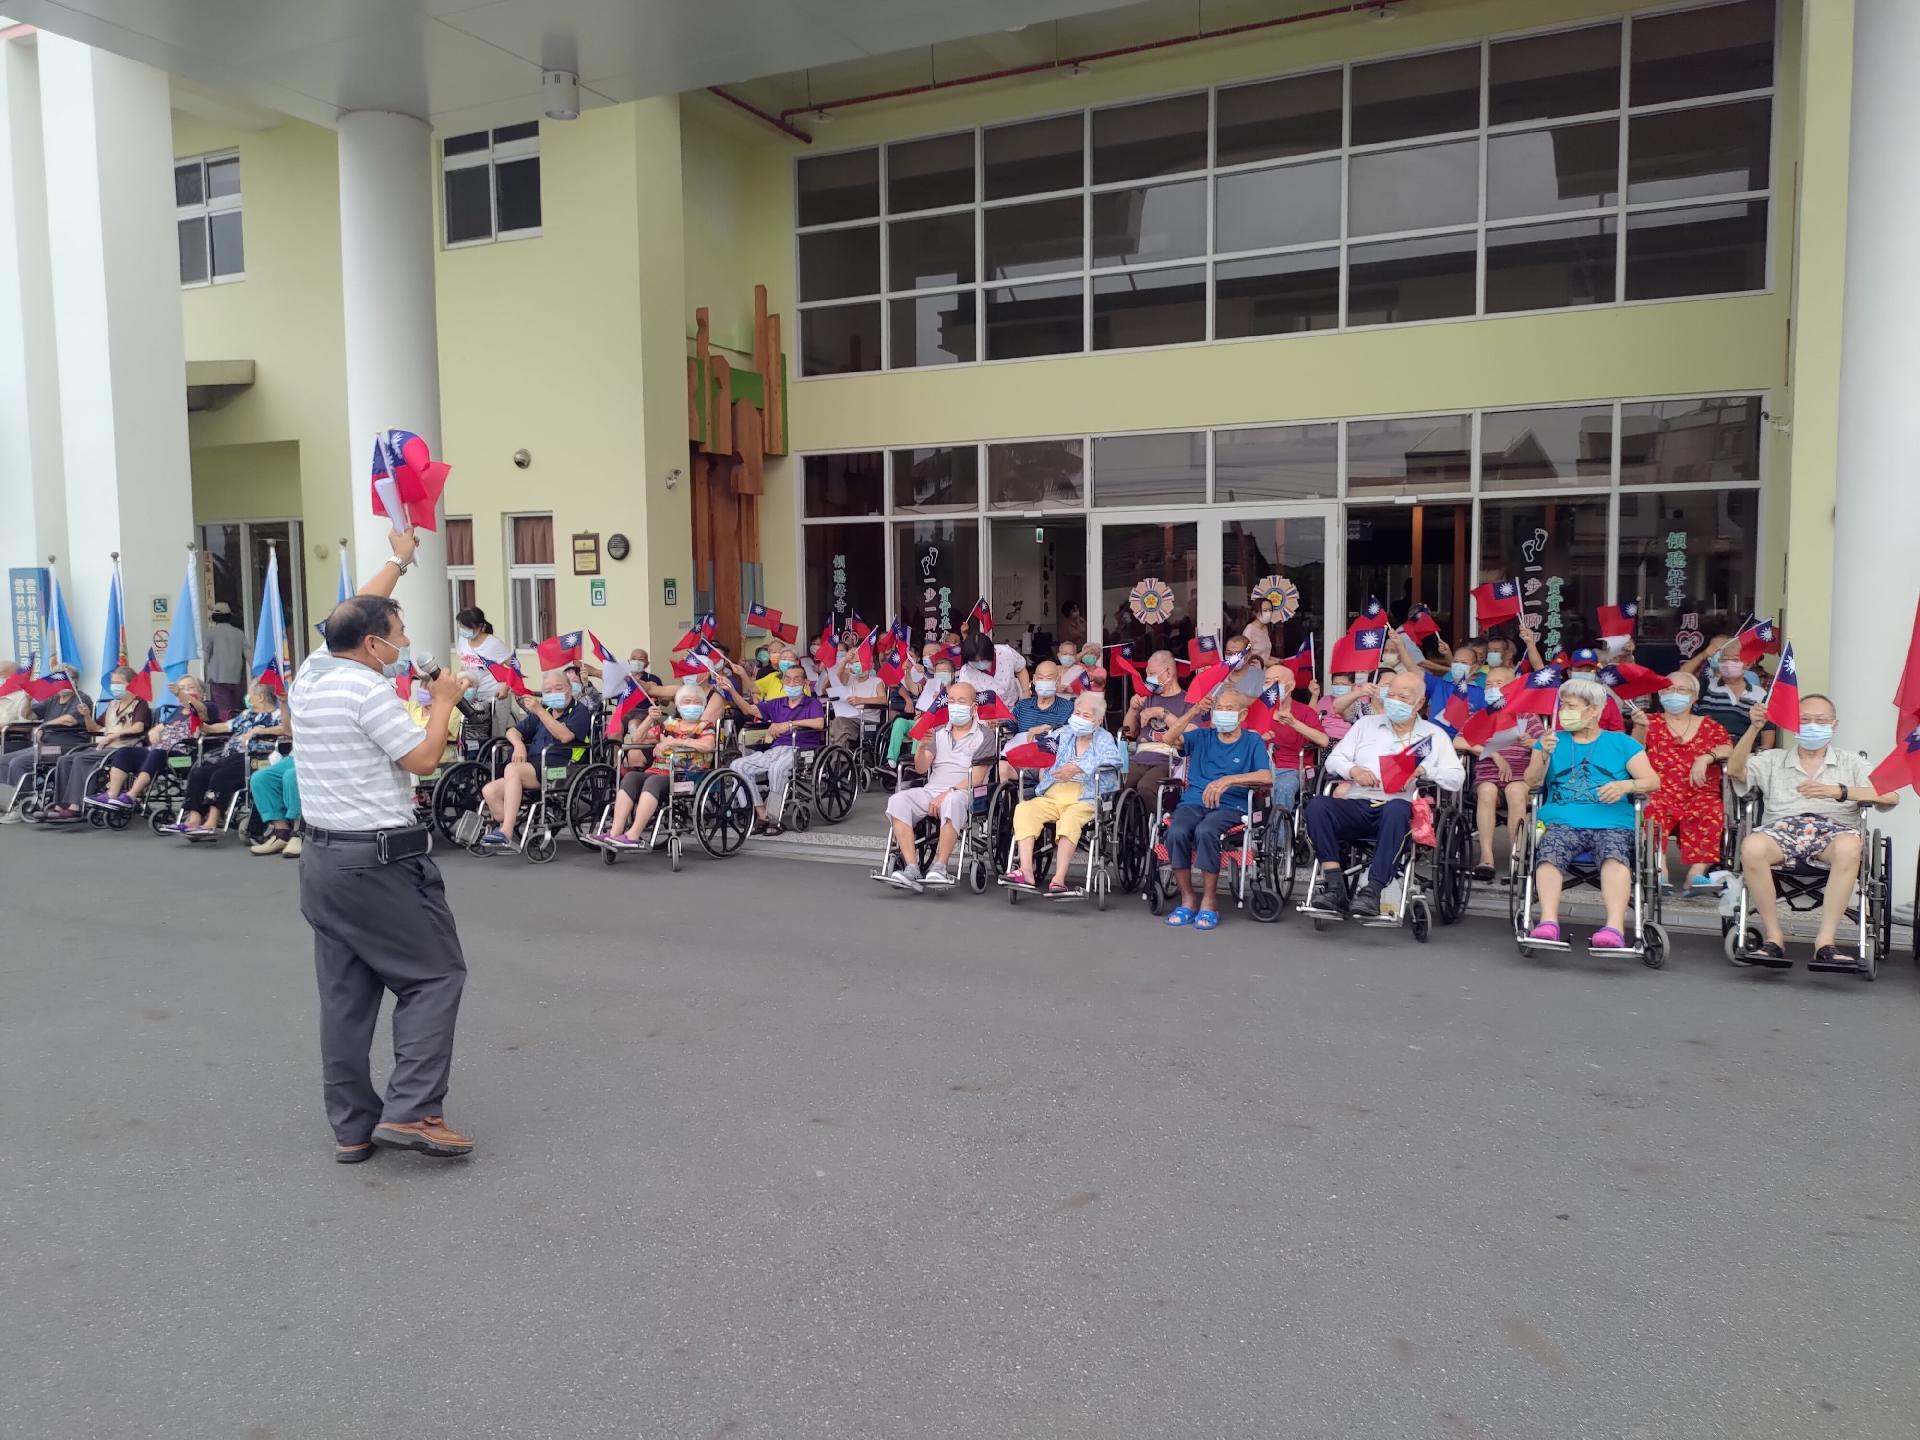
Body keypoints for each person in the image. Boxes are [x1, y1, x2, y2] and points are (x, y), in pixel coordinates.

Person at [290, 528, 477, 1162]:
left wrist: (398, 561)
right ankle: (416, 1112)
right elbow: (424, 759)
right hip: (380, 861)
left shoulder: (314, 672)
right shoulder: (369, 691)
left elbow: (353, 609)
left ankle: (351, 1127)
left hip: (322, 859)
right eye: (398, 636)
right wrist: (444, 702)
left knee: (346, 995)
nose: (405, 645)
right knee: (434, 974)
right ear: (371, 645)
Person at [1727, 693, 1898, 967]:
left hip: (1835, 830)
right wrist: (1754, 728)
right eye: (1804, 720)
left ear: (1834, 725)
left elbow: (1890, 795)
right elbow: (1735, 771)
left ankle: (1825, 942)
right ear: (1794, 724)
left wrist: (1838, 791)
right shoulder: (1773, 759)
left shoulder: (1851, 762)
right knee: (1751, 846)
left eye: (1820, 720)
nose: (1812, 725)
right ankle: (1773, 938)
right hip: (1782, 828)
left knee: (1849, 847)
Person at [1305, 668, 1465, 917]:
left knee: (1396, 808)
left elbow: (1456, 777)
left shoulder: (1433, 735)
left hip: (1397, 808)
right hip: (1358, 802)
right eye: (1391, 694)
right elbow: (1333, 760)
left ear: (1419, 702)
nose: (1394, 701)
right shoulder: (1365, 725)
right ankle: (1335, 885)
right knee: (1317, 806)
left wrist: (1423, 771)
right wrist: (1354, 770)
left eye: (1402, 697)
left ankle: (1373, 891)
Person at [1521, 677, 1661, 950]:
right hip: (1561, 820)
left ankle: (1614, 928)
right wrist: (1543, 756)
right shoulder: (1549, 741)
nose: (1564, 711)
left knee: (1614, 856)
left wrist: (1625, 785)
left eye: (1571, 706)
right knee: (1549, 851)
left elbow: (1652, 781)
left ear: (1594, 710)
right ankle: (1548, 922)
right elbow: (1532, 782)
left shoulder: (1621, 743)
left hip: (1612, 822)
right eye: (1562, 705)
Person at [1155, 688, 1273, 930]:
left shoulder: (1252, 740)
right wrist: (1194, 711)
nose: (1222, 713)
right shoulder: (1202, 736)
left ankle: (1209, 901)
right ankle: (1187, 899)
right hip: (1194, 802)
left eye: (1229, 709)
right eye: (1219, 708)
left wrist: (1228, 780)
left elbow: (1265, 776)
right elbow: (1169, 739)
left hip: (1232, 804)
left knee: (1206, 831)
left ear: (1242, 715)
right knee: (1177, 830)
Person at [884, 679, 997, 893]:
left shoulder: (985, 735)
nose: (955, 705)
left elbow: (979, 777)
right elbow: (921, 768)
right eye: (951, 700)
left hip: (965, 791)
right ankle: (912, 868)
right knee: (897, 800)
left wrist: (947, 794)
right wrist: (922, 747)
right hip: (932, 789)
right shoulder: (937, 731)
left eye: (961, 701)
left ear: (973, 707)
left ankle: (940, 866)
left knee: (953, 800)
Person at [1006, 692, 1124, 896]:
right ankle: (1026, 871)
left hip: (1086, 795)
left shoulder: (1104, 739)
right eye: (1077, 713)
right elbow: (1043, 749)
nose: (1078, 718)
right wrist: (1030, 751)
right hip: (1056, 791)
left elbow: (1114, 761)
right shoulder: (1064, 733)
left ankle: (1059, 878)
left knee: (1069, 820)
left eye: (1085, 715)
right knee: (1025, 809)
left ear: (1097, 721)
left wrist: (1077, 767)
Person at [1631, 670, 1733, 897]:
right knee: (1652, 808)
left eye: (1681, 690)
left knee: (1713, 810)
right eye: (1668, 689)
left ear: (1694, 697)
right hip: (1659, 790)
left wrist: (1706, 757)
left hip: (1700, 793)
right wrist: (1639, 728)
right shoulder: (1650, 722)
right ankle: (1659, 871)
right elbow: (1632, 751)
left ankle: (1696, 876)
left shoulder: (1709, 726)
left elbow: (1727, 748)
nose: (1673, 694)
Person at [477, 669, 593, 853]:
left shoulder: (580, 711)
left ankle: (506, 831)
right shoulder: (544, 711)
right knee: (489, 790)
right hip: (533, 765)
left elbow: (565, 736)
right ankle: (505, 823)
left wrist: (539, 710)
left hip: (561, 767)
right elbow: (512, 731)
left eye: (559, 688)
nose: (554, 693)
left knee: (513, 770)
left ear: (569, 690)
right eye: (548, 690)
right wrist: (519, 745)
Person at [600, 684, 717, 848]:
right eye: (687, 701)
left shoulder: (706, 726)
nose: (691, 705)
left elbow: (708, 746)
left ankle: (633, 834)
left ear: (703, 705)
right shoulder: (669, 725)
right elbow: (638, 739)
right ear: (678, 705)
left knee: (653, 782)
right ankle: (615, 832)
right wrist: (649, 719)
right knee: (631, 777)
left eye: (696, 701)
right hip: (659, 770)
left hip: (685, 775)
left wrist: (674, 742)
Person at [1454, 665, 1542, 881]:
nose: (1492, 688)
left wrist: (1532, 743)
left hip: (1520, 778)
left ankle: (1517, 857)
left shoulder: (1527, 716)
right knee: (1486, 791)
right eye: (1489, 685)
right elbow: (1457, 740)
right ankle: (1486, 858)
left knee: (1515, 791)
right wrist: (1492, 753)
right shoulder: (1480, 716)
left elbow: (1546, 743)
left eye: (1499, 684)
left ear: (1512, 687)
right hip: (1488, 777)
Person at [168, 682, 286, 839]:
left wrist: (261, 730)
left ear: (260, 697)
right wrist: (206, 728)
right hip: (231, 756)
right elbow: (224, 727)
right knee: (199, 773)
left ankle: (212, 821)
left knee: (221, 775)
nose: (247, 697)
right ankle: (194, 818)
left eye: (250, 694)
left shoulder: (278, 714)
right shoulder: (246, 714)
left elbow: (286, 729)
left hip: (255, 758)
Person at [724, 663, 824, 833]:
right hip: (776, 749)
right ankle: (760, 813)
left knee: (777, 769)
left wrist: (789, 724)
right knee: (737, 766)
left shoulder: (812, 703)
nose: (792, 684)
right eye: (788, 680)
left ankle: (774, 819)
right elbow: (748, 709)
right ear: (783, 682)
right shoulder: (776, 704)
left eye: (796, 680)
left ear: (805, 683)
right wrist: (731, 689)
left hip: (802, 750)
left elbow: (819, 723)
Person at [42, 667, 149, 820]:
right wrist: (86, 716)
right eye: (113, 682)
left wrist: (111, 737)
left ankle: (76, 806)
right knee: (65, 760)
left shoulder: (139, 704)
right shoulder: (113, 705)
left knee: (81, 760)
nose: (114, 686)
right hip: (106, 746)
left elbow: (138, 727)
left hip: (124, 747)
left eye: (119, 683)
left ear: (131, 684)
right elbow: (95, 728)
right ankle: (61, 804)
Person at [0, 666, 92, 821]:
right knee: (3, 761)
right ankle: (5, 803)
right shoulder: (53, 699)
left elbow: (69, 720)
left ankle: (22, 804)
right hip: (44, 745)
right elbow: (28, 715)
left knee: (19, 763)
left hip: (67, 746)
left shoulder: (81, 699)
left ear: (74, 681)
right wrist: (28, 700)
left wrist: (44, 726)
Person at [1248, 663, 1328, 811]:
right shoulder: (1255, 710)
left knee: (1285, 786)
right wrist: (1258, 737)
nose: (1270, 686)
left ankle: (1278, 834)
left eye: (1276, 681)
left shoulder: (1305, 712)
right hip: (1260, 767)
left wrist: (1294, 723)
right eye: (1267, 682)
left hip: (1292, 769)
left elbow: (1323, 741)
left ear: (1290, 686)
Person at [1120, 650, 1186, 807]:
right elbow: (1129, 732)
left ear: (1168, 672)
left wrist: (1160, 712)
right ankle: (1126, 830)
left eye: (1152, 673)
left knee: (1146, 786)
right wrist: (1133, 708)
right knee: (1117, 784)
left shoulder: (1187, 701)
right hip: (1140, 757)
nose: (1148, 678)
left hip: (1169, 759)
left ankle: (1150, 830)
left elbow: (1189, 733)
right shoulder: (1146, 697)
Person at [1696, 639, 1776, 749]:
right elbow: (1676, 680)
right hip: (1706, 749)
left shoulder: (1761, 695)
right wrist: (1703, 655)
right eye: (1724, 660)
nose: (1728, 664)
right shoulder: (1704, 686)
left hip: (1743, 754)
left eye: (1734, 660)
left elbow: (1767, 735)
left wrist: (1759, 757)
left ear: (1747, 664)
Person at [1002, 659, 1073, 781]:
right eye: (1041, 678)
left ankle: (1041, 799)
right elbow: (1010, 725)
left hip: (1050, 760)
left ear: (1058, 681)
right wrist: (998, 723)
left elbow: (1071, 734)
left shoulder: (1067, 707)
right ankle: (1005, 800)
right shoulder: (1023, 705)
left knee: (1045, 769)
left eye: (1049, 678)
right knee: (1001, 767)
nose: (1044, 682)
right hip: (1021, 756)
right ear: (1034, 680)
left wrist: (1049, 728)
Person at [826, 643, 887, 751]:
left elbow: (883, 700)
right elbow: (839, 674)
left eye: (860, 662)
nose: (857, 665)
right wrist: (845, 660)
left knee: (840, 724)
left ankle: (839, 762)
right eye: (854, 663)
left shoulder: (876, 681)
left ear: (870, 664)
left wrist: (861, 700)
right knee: (837, 724)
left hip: (867, 721)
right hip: (849, 719)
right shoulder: (850, 679)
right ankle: (839, 759)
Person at [247, 746, 303, 857]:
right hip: (297, 756)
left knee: (291, 776)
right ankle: (282, 834)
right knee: (260, 778)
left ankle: (299, 833)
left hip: (324, 758)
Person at [455, 607, 513, 710]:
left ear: (480, 626)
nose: (464, 630)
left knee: (493, 726)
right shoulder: (463, 640)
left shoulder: (494, 644)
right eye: (462, 626)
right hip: (471, 696)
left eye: (468, 627)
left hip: (494, 697)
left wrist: (505, 688)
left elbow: (515, 667)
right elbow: (464, 666)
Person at [202, 601, 249, 718]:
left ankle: (227, 731)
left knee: (223, 710)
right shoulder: (239, 633)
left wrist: (204, 675)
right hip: (236, 677)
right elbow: (248, 653)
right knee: (237, 708)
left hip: (218, 677)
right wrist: (255, 673)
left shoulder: (210, 633)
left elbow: (206, 655)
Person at [959, 630, 1028, 705]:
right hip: (986, 713)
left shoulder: (1005, 652)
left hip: (1013, 707)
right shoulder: (966, 671)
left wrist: (1026, 692)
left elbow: (1020, 669)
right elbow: (964, 695)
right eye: (975, 661)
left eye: (983, 659)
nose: (980, 663)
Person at [1313, 670, 1374, 745]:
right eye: (1335, 684)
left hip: (1352, 742)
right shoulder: (1325, 700)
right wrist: (1314, 695)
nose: (1339, 687)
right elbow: (1309, 717)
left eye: (1344, 684)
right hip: (1326, 741)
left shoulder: (1363, 700)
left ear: (1353, 685)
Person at [1241, 599, 1276, 664]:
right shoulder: (1249, 631)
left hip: (1266, 670)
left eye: (1270, 610)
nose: (1268, 613)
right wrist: (1269, 663)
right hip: (1255, 671)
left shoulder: (1265, 628)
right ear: (1255, 613)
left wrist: (1277, 660)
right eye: (1265, 610)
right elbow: (1246, 657)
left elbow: (1265, 654)